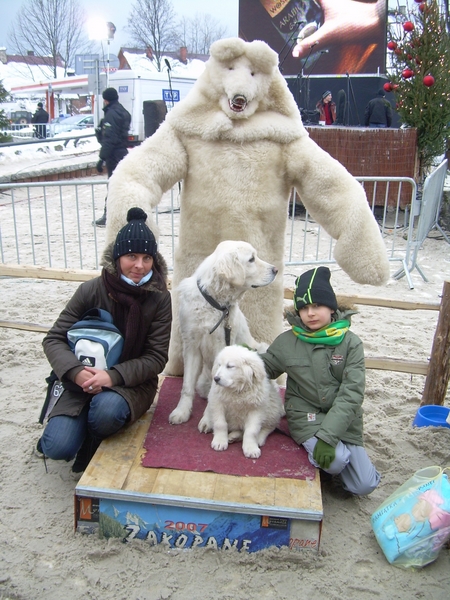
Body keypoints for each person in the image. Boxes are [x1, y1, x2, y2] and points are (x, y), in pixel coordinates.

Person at [35, 207, 172, 476]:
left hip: (130, 383)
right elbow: (54, 339)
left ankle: (92, 439)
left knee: (105, 412)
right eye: (131, 256)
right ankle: (71, 428)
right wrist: (75, 373)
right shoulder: (91, 289)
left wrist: (112, 377)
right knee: (57, 448)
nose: (139, 265)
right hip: (81, 378)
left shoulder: (159, 297)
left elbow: (156, 357)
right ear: (118, 255)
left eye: (147, 258)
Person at [259, 266, 380, 496]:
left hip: (343, 420)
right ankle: (327, 459)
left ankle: (330, 458)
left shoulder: (350, 343)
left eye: (317, 305)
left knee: (364, 485)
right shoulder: (288, 341)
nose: (310, 313)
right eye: (303, 308)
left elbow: (352, 393)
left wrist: (328, 437)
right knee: (337, 460)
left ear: (331, 306)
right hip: (307, 416)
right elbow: (267, 366)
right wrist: (244, 359)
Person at [94, 87, 131, 227]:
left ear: (106, 99)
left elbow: (109, 138)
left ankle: (108, 215)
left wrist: (101, 158)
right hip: (122, 152)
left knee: (114, 185)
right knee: (123, 185)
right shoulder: (123, 112)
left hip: (114, 154)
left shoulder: (111, 114)